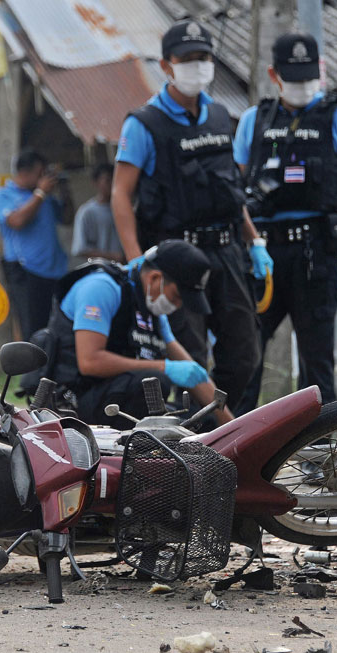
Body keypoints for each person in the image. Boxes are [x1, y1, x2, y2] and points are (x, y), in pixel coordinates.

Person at [112, 19, 269, 412]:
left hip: (227, 252)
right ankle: (190, 453)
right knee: (190, 360)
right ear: (166, 65)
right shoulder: (144, 123)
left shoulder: (218, 116)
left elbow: (231, 189)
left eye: (204, 58)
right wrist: (137, 262)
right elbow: (120, 194)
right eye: (187, 59)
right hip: (175, 258)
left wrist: (255, 242)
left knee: (245, 356)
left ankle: (219, 434)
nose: (197, 66)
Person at [232, 33, 337, 412]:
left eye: (309, 77)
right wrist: (251, 245)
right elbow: (234, 189)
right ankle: (232, 453)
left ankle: (319, 456)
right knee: (245, 357)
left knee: (317, 365)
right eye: (293, 78)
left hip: (315, 255)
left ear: (319, 73)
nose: (302, 86)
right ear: (275, 75)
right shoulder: (253, 120)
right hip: (263, 254)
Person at [42, 240, 232, 429]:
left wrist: (235, 429)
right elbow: (89, 362)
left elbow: (193, 372)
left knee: (204, 421)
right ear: (155, 278)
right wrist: (164, 367)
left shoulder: (151, 309)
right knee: (153, 381)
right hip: (74, 401)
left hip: (115, 398)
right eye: (177, 296)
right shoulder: (101, 288)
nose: (178, 305)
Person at [0, 149, 72, 340]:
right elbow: (17, 221)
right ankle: (32, 370)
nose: (43, 178)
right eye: (40, 173)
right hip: (25, 271)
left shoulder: (46, 197)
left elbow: (67, 218)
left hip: (54, 270)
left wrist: (64, 189)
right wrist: (41, 193)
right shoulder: (2, 196)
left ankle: (51, 369)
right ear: (24, 172)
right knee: (32, 330)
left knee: (56, 329)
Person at [71, 163, 123, 262]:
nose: (112, 184)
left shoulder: (124, 208)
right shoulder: (87, 212)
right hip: (101, 269)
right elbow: (80, 249)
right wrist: (113, 256)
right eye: (107, 180)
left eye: (114, 179)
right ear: (96, 182)